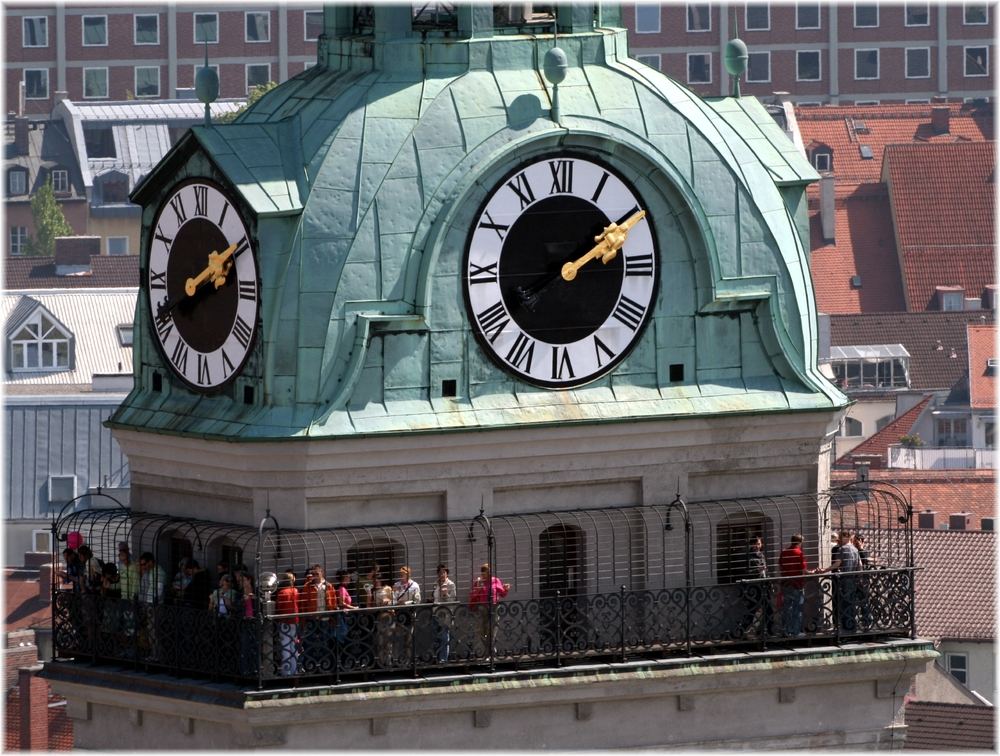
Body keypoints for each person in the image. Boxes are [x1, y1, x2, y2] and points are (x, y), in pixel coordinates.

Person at [299, 565, 336, 672]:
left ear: (322, 572)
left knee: (325, 643)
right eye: (313, 574)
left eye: (316, 573)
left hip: (325, 619)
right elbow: (303, 604)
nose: (314, 576)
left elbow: (333, 602)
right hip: (311, 619)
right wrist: (304, 619)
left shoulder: (328, 586)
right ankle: (311, 668)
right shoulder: (307, 586)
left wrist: (332, 617)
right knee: (310, 643)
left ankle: (325, 667)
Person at [469, 563, 510, 655]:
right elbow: (473, 596)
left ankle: (489, 652)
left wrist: (506, 589)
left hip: (494, 607)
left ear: (489, 573)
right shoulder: (478, 582)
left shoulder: (495, 581)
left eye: (485, 573)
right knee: (481, 630)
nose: (483, 575)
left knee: (492, 630)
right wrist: (478, 590)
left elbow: (502, 594)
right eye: (482, 573)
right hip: (482, 608)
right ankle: (490, 649)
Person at [778, 534, 811, 637]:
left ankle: (785, 631)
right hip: (797, 584)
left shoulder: (783, 552)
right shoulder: (799, 553)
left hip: (786, 583)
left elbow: (781, 566)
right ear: (800, 543)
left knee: (786, 608)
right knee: (797, 609)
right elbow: (803, 570)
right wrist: (813, 572)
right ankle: (796, 632)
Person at [137, 552, 167, 659]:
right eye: (141, 565)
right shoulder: (149, 572)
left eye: (144, 564)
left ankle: (157, 655)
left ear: (151, 562)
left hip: (155, 606)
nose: (143, 566)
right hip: (148, 605)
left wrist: (150, 603)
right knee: (150, 631)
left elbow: (158, 591)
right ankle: (154, 654)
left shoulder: (159, 572)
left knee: (154, 631)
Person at [830, 531, 860, 632]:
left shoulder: (841, 549)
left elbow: (837, 564)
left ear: (844, 537)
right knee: (851, 602)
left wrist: (826, 570)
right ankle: (851, 625)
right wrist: (858, 578)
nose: (838, 540)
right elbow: (859, 565)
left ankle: (845, 627)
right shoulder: (855, 549)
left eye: (839, 538)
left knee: (843, 602)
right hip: (852, 579)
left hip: (843, 579)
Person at [274, 571, 299, 676]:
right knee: (294, 646)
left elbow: (279, 608)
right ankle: (295, 670)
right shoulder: (296, 591)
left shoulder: (281, 592)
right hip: (295, 620)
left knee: (285, 647)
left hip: (284, 620)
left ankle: (286, 671)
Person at [432, 564, 456, 663]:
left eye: (444, 572)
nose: (442, 574)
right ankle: (436, 658)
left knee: (444, 636)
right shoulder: (436, 584)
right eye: (440, 572)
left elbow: (453, 599)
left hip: (446, 613)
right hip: (436, 612)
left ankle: (443, 659)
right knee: (436, 636)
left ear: (447, 573)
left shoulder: (451, 584)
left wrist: (446, 594)